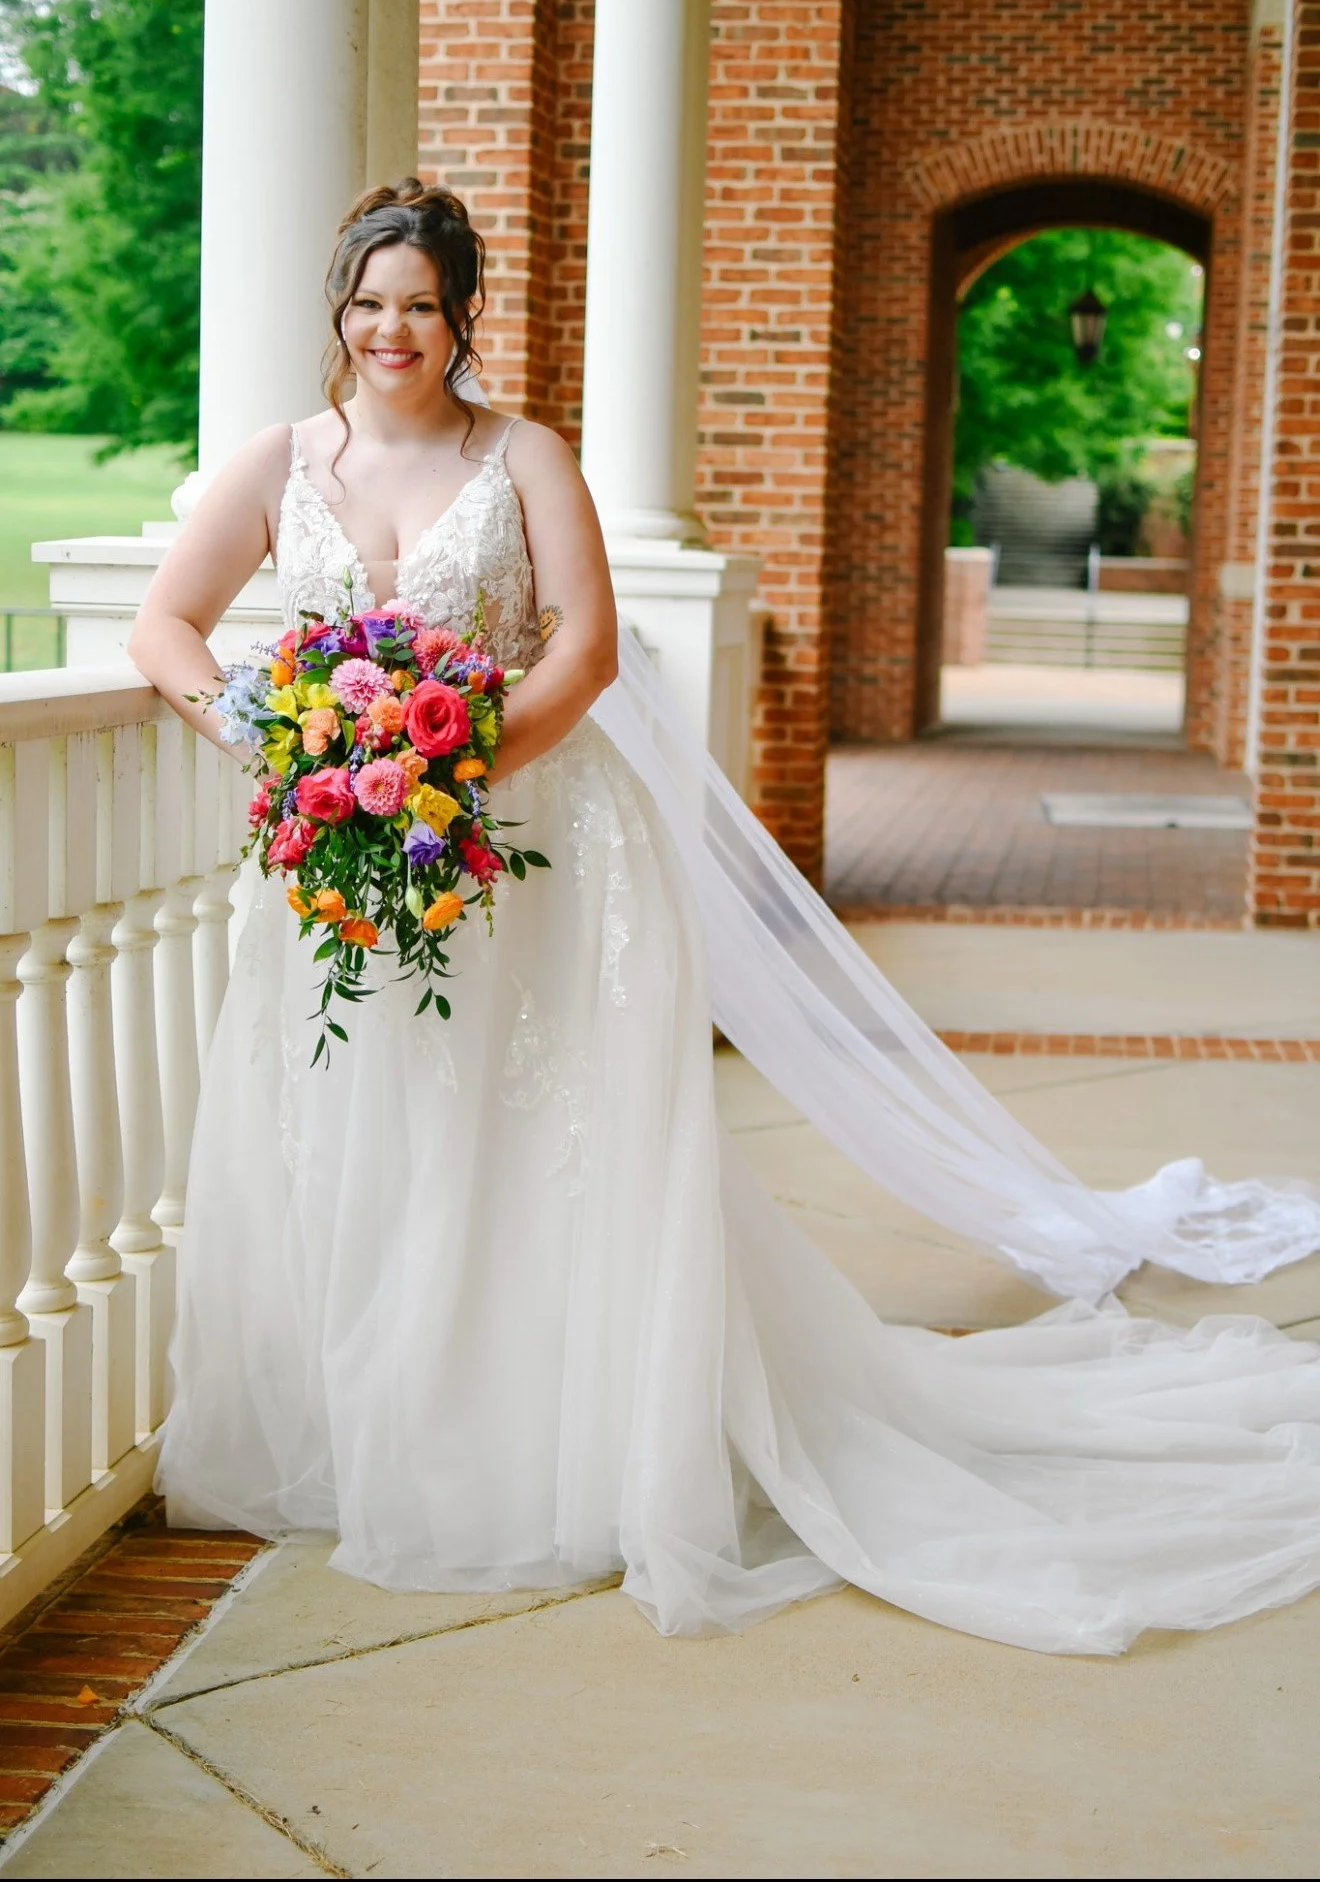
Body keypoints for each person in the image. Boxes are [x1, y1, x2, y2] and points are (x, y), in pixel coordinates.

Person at [131, 180, 1320, 1656]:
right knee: (367, 1125)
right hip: (338, 860)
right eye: (371, 304)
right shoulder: (276, 461)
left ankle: (539, 1448)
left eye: (421, 306)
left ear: (462, 315)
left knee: (525, 1139)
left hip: (532, 849)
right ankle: (374, 1430)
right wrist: (273, 742)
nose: (394, 331)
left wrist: (451, 776)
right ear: (339, 311)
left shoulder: (526, 458)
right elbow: (165, 624)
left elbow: (585, 646)